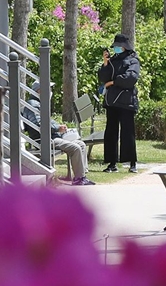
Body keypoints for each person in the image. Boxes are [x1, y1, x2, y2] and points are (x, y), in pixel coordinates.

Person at [22, 81, 95, 186]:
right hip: (45, 140)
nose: (50, 91)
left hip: (52, 136)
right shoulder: (33, 104)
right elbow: (38, 124)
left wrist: (59, 126)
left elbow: (47, 121)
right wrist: (57, 128)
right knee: (75, 148)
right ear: (39, 91)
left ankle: (82, 175)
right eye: (48, 89)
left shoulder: (39, 103)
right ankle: (79, 178)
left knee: (81, 144)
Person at [98, 33, 140, 173]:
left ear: (124, 47)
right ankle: (111, 163)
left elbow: (131, 77)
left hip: (126, 101)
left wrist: (113, 82)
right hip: (112, 102)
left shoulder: (133, 60)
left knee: (128, 133)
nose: (116, 49)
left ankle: (132, 163)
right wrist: (105, 63)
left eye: (118, 46)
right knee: (111, 133)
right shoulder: (112, 61)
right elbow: (103, 77)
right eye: (114, 46)